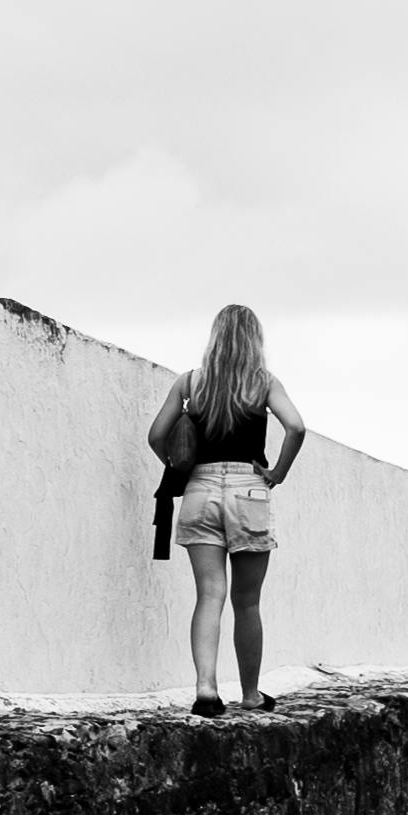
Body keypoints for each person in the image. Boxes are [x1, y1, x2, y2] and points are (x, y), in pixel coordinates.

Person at [149, 304, 305, 715]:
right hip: (249, 489)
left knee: (209, 595)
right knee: (248, 601)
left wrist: (177, 463)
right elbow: (296, 426)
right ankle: (251, 695)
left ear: (215, 336)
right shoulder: (263, 383)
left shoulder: (190, 383)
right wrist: (278, 472)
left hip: (199, 488)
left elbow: (156, 435)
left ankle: (205, 690)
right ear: (255, 339)